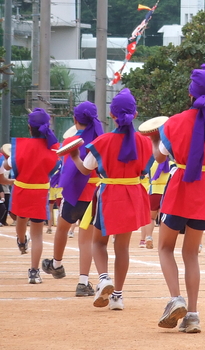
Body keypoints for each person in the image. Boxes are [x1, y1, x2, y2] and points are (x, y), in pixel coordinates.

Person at [152, 64, 205, 334]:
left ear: (191, 92)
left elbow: (160, 156)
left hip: (179, 187)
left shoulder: (173, 123)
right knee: (191, 254)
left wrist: (154, 138)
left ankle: (176, 299)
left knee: (165, 247)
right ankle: (194, 315)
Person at [69, 89, 153, 311]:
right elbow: (145, 171)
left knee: (98, 242)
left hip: (109, 194)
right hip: (132, 194)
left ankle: (104, 278)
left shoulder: (103, 141)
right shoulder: (144, 142)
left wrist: (74, 155)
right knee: (122, 247)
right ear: (134, 114)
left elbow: (86, 170)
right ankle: (117, 296)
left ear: (111, 115)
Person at [41, 102, 103, 296]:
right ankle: (83, 283)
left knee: (62, 228)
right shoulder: (100, 140)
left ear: (75, 120)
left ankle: (57, 264)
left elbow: (67, 168)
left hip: (73, 195)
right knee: (86, 240)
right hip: (92, 195)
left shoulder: (71, 141)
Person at [3, 109, 60, 284]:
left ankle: (21, 241)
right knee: (38, 235)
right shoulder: (53, 151)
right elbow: (56, 168)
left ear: (29, 128)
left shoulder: (19, 148)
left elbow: (6, 166)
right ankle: (34, 272)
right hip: (40, 193)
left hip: (21, 191)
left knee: (20, 221)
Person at [140, 158, 171, 249]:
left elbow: (145, 175)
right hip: (166, 192)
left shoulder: (152, 164)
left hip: (154, 191)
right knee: (163, 220)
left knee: (150, 217)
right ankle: (162, 240)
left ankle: (149, 236)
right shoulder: (171, 164)